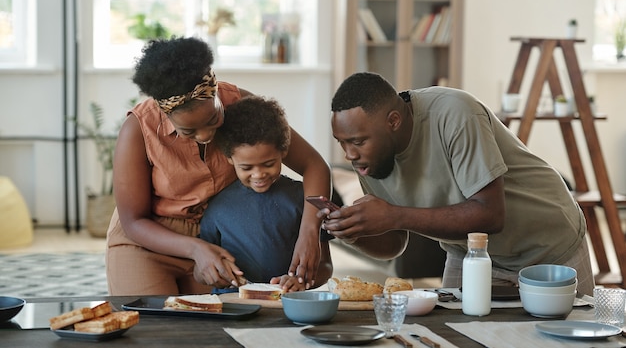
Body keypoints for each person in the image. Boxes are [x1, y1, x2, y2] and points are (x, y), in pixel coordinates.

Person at [322, 72, 595, 296]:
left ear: (393, 121)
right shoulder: (369, 158)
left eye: (357, 142)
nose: (349, 154)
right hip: (471, 253)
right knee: (452, 337)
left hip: (549, 246)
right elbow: (395, 243)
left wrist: (394, 215)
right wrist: (354, 233)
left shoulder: (454, 113)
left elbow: (490, 215)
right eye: (342, 142)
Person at [107, 36, 331, 296]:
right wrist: (194, 248)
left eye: (213, 118)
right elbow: (134, 221)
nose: (204, 136)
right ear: (164, 113)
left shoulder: (241, 104)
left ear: (214, 93)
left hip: (218, 237)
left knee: (215, 326)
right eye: (188, 130)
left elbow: (314, 165)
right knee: (152, 327)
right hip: (148, 241)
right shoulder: (138, 130)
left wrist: (309, 233)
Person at [198, 96, 333, 292]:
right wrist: (211, 274)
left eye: (268, 164)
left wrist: (302, 282)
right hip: (234, 306)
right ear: (229, 158)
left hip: (288, 305)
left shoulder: (304, 199)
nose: (259, 174)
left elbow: (326, 266)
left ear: (284, 151)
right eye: (246, 167)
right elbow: (200, 269)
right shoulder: (217, 207)